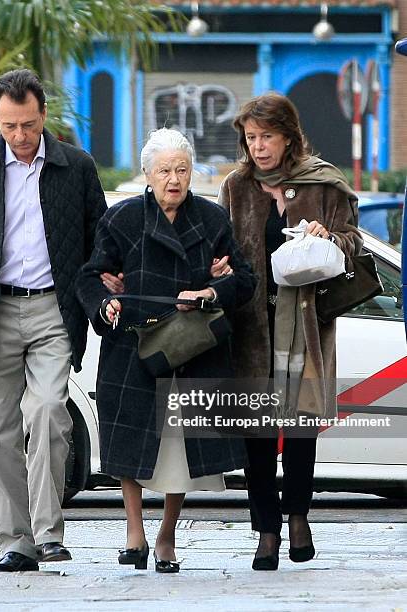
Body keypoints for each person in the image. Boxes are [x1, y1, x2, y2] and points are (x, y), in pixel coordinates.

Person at [0, 69, 107, 573]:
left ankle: (50, 533)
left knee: (50, 412)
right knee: (0, 432)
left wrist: (94, 295)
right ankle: (16, 540)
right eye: (9, 125)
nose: (19, 136)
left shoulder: (76, 167)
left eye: (27, 124)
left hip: (54, 308)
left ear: (43, 116)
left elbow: (100, 239)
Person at [76, 128, 256, 572]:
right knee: (130, 443)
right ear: (147, 175)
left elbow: (244, 279)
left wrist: (212, 291)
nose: (173, 179)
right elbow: (89, 276)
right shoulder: (121, 220)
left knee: (180, 450)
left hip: (191, 348)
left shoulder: (212, 220)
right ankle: (134, 531)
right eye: (164, 171)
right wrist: (106, 302)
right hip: (134, 348)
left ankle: (167, 535)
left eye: (182, 169)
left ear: (192, 173)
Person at [218, 92, 363, 570]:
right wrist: (220, 268)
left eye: (267, 137)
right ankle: (266, 530)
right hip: (252, 329)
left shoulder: (323, 182)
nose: (258, 147)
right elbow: (224, 249)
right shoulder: (237, 187)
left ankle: (298, 517)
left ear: (289, 136)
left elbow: (353, 242)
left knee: (301, 430)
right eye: (251, 138)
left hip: (306, 324)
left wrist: (330, 236)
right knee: (257, 437)